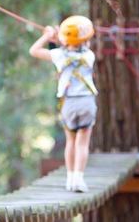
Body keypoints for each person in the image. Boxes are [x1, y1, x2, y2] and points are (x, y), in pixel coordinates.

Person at [29, 16, 97, 192]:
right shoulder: (90, 56)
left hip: (68, 104)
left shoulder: (58, 55)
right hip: (86, 102)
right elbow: (76, 43)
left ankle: (69, 179)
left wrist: (47, 36)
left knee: (71, 141)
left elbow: (34, 50)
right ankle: (79, 179)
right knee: (82, 143)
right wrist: (60, 36)